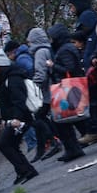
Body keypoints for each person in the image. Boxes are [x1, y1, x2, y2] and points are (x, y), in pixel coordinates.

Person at [0, 49, 38, 184]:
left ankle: (26, 170)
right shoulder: (8, 78)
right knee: (11, 145)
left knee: (5, 144)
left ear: (1, 66)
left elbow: (19, 100)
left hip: (19, 119)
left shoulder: (12, 79)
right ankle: (25, 170)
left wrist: (16, 118)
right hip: (16, 118)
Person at [47, 23, 86, 163]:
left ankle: (72, 149)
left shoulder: (64, 50)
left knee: (60, 120)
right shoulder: (68, 47)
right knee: (64, 121)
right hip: (68, 88)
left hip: (65, 89)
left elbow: (68, 68)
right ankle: (73, 148)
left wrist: (52, 66)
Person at [27, 27, 62, 161]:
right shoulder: (48, 48)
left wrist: (32, 86)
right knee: (48, 116)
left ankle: (55, 141)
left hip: (47, 91)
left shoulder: (40, 53)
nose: (28, 44)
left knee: (39, 116)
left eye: (29, 41)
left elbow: (41, 74)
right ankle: (56, 140)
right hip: (54, 88)